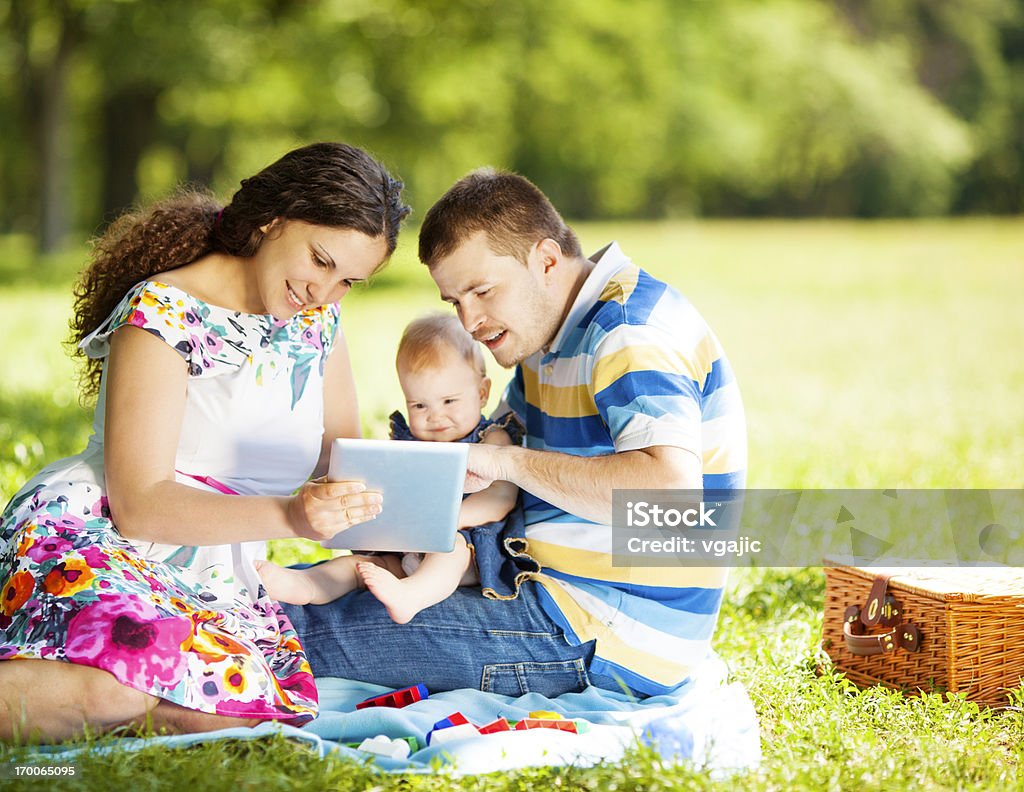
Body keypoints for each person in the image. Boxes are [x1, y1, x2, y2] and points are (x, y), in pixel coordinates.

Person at [281, 168, 747, 700]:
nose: (471, 320)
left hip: (605, 631)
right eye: (455, 301)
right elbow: (480, 446)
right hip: (537, 589)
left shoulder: (627, 333)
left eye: (481, 291)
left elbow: (669, 494)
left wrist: (507, 464)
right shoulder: (551, 332)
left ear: (546, 261)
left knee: (292, 633)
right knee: (299, 590)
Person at [0, 142, 410, 742]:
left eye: (349, 280)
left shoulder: (318, 324)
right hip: (100, 529)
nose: (325, 293)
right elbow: (140, 503)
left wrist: (435, 478)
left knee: (235, 704)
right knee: (127, 676)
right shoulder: (162, 313)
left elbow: (339, 460)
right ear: (273, 218)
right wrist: (291, 516)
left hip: (213, 563)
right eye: (321, 261)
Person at [256, 312, 525, 624]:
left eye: (449, 401)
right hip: (406, 546)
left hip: (467, 548)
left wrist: (448, 522)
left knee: (450, 552)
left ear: (481, 392)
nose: (435, 416)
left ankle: (411, 596)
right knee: (358, 568)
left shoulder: (492, 438)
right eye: (419, 406)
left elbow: (502, 496)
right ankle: (308, 584)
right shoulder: (409, 441)